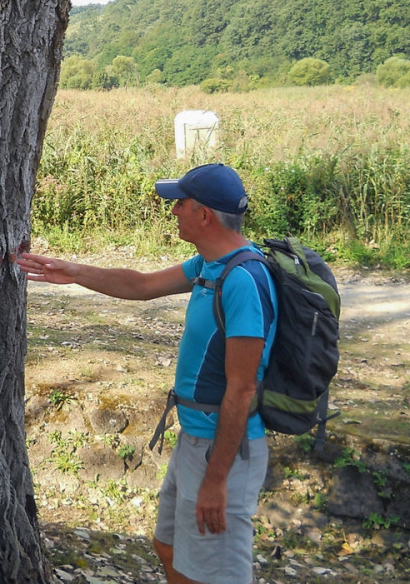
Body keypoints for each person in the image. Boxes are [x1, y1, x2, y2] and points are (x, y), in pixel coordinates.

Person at [18, 163, 277, 584]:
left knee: (216, 575)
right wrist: (74, 272)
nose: (173, 211)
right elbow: (140, 286)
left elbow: (243, 388)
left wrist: (216, 479)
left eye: (180, 203)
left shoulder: (243, 280)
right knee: (169, 547)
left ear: (205, 214)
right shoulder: (210, 264)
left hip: (224, 451)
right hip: (195, 439)